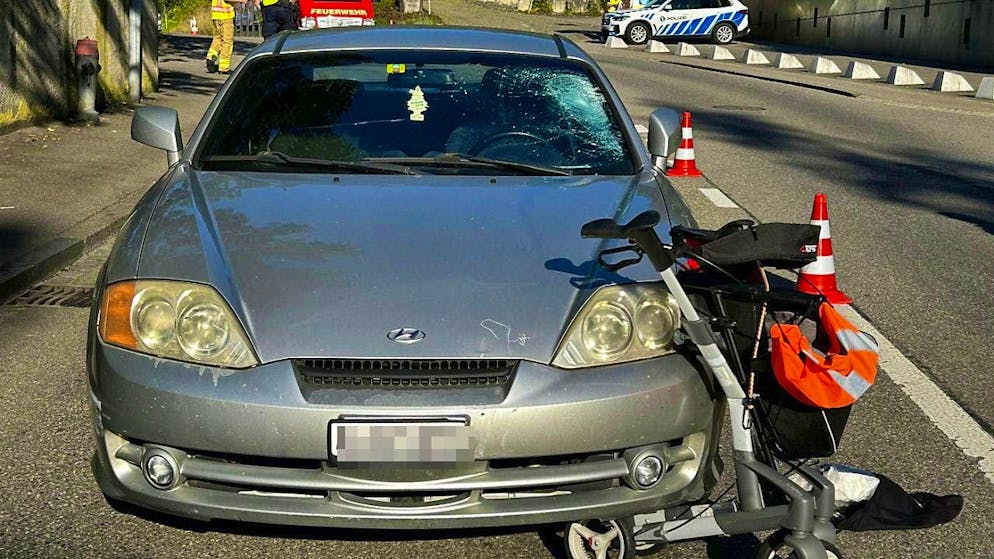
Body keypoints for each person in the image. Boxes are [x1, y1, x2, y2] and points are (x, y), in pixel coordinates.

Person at [206, 0, 248, 75]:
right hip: (226, 16)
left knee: (217, 39)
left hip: (216, 15)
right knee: (227, 41)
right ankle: (223, 67)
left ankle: (210, 57)